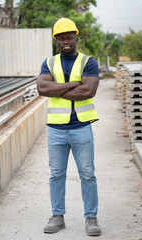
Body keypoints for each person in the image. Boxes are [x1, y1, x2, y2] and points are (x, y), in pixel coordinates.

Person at [37, 18, 101, 236]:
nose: (66, 41)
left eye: (69, 37)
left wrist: (57, 89)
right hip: (56, 129)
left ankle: (91, 218)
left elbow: (88, 91)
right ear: (56, 40)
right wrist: (74, 84)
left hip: (81, 127)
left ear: (76, 38)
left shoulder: (88, 62)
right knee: (56, 175)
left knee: (87, 174)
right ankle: (57, 216)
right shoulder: (49, 63)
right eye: (61, 38)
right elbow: (42, 88)